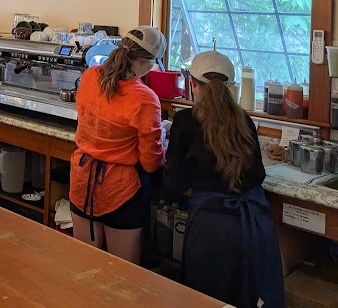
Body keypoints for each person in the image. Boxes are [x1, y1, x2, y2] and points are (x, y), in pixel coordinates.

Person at [164, 50, 283, 308]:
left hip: (212, 229)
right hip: (254, 224)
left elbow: (174, 183)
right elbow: (257, 174)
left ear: (192, 84)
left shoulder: (185, 121)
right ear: (230, 86)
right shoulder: (244, 120)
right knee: (251, 298)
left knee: (208, 301)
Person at [69, 26, 167, 263]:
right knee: (123, 273)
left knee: (84, 265)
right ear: (145, 62)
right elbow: (151, 161)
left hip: (82, 180)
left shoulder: (90, 76)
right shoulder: (144, 98)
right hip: (120, 191)